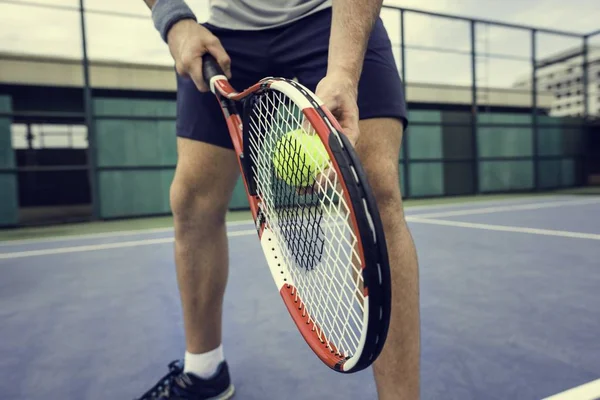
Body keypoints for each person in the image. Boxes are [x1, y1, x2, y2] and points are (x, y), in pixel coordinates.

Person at [138, 0, 420, 399]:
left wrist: (342, 72)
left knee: (376, 190)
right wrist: (173, 20)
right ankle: (205, 373)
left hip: (333, 18)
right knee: (191, 199)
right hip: (227, 38)